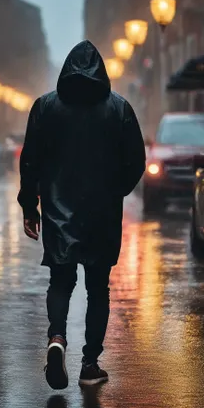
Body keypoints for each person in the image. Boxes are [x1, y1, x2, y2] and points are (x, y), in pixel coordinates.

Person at [18, 40, 146, 390]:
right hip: (102, 214)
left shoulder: (45, 107)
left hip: (58, 210)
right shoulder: (119, 109)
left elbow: (29, 161)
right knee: (97, 288)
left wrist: (31, 205)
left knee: (60, 281)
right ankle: (90, 364)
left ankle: (57, 337)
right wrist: (115, 191)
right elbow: (136, 161)